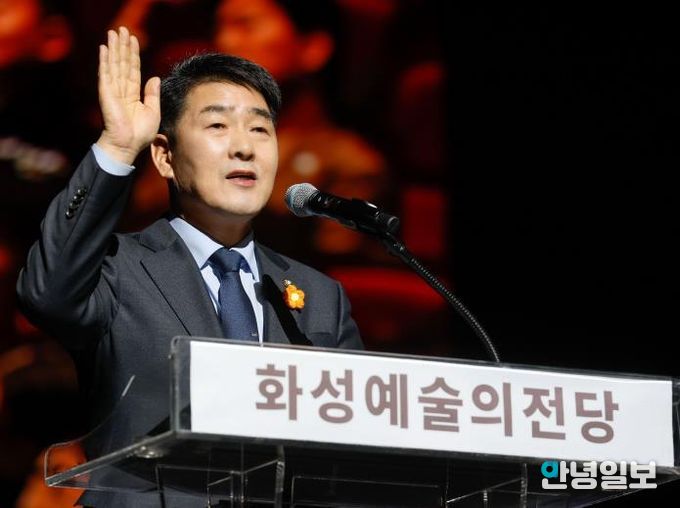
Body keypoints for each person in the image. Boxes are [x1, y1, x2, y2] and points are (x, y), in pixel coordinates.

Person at [16, 26, 363, 507]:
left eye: (260, 129)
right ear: (165, 156)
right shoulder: (118, 270)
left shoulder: (320, 296)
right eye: (218, 126)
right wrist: (118, 147)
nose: (244, 147)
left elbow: (351, 453)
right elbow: (47, 292)